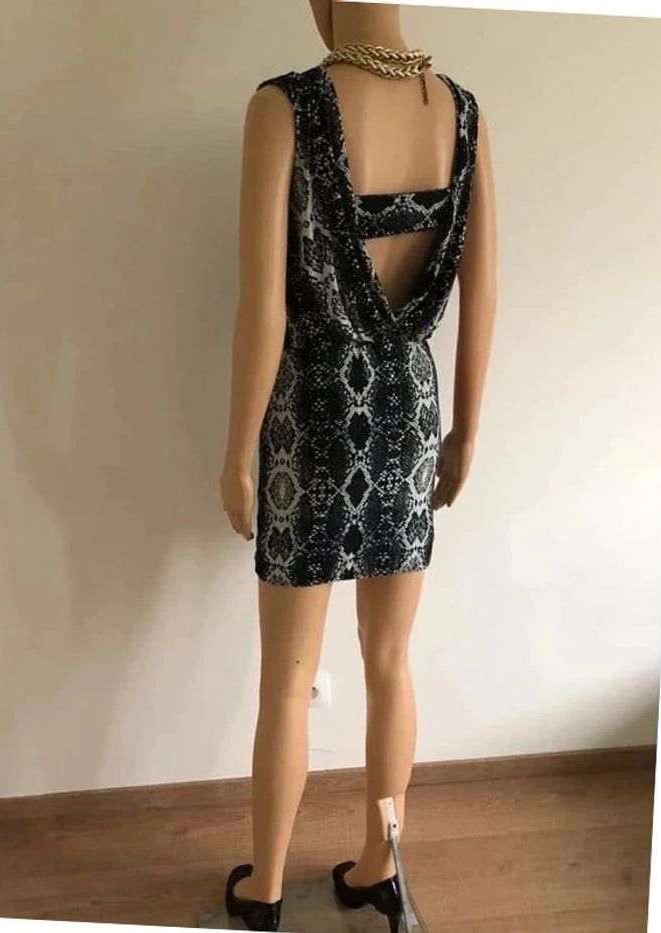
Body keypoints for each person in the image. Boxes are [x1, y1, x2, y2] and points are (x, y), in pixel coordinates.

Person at [220, 2, 497, 930]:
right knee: (389, 660)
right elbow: (484, 289)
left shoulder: (283, 107)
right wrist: (466, 432)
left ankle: (264, 887)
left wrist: (237, 452)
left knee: (286, 676)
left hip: (309, 418)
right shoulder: (461, 112)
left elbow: (262, 306)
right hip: (411, 418)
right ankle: (381, 862)